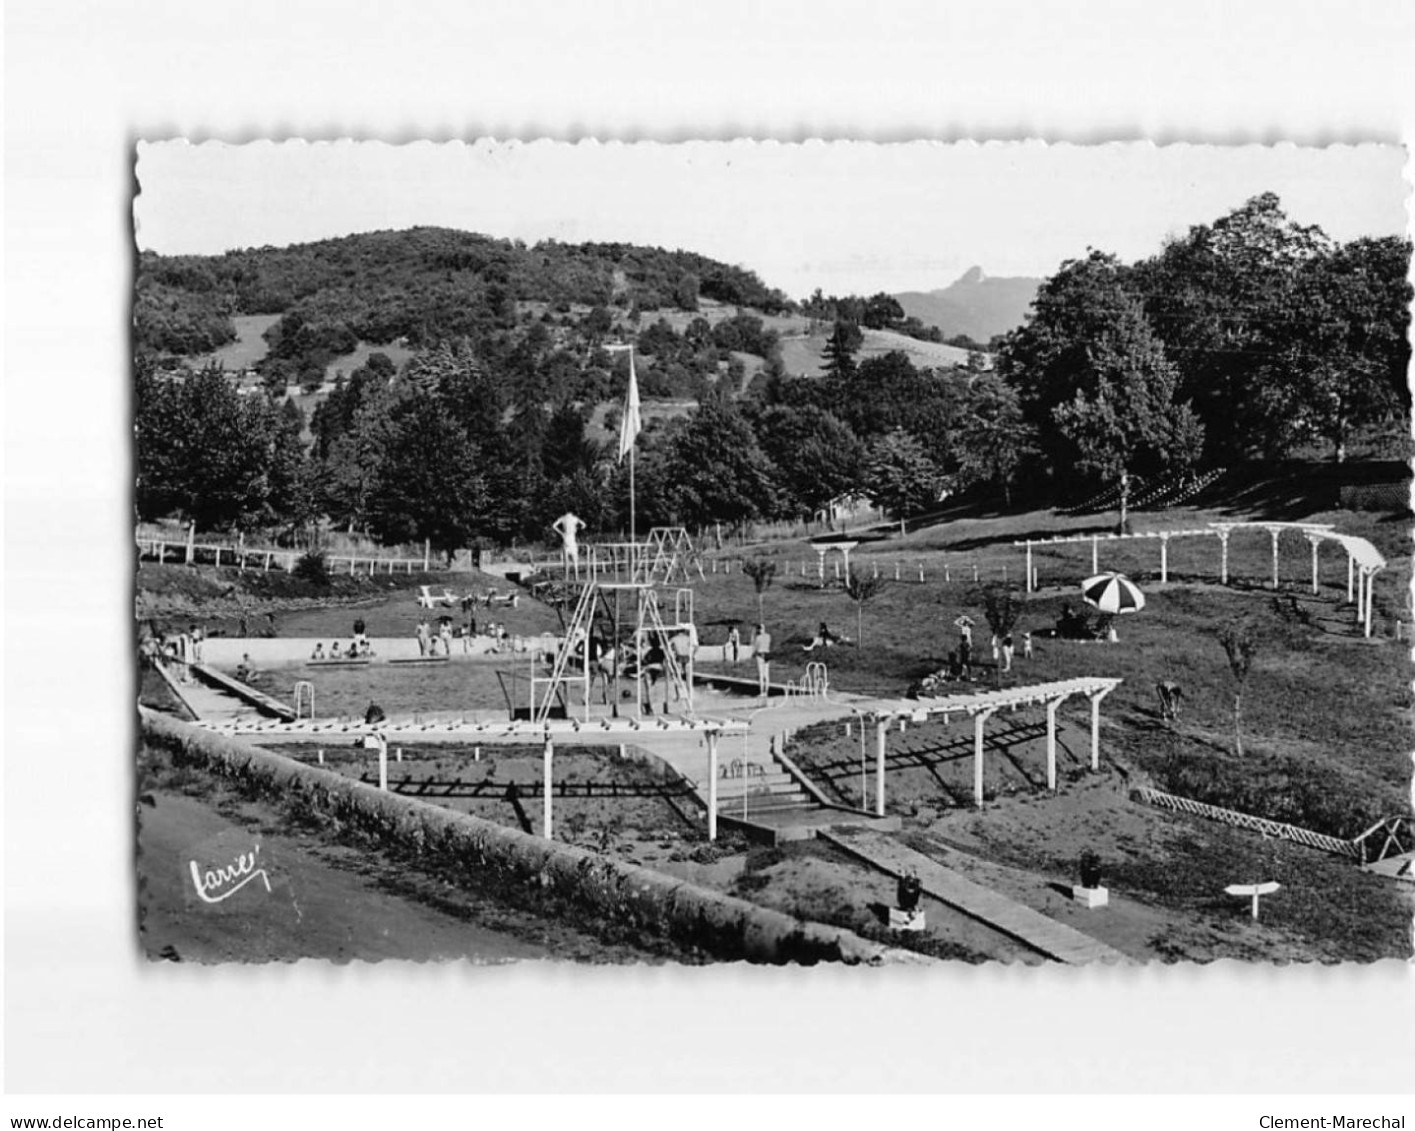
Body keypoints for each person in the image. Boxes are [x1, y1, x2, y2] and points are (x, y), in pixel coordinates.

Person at [551, 512, 585, 580]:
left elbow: (554, 526)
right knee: (575, 560)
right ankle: (576, 576)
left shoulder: (563, 518)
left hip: (565, 538)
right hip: (572, 539)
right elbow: (584, 525)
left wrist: (561, 533)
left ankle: (567, 577)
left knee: (566, 561)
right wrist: (578, 528)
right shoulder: (574, 519)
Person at [752, 623, 772, 697]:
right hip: (767, 654)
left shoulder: (758, 638)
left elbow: (756, 648)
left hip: (760, 655)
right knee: (766, 674)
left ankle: (761, 691)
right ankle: (766, 692)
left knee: (761, 674)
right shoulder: (768, 636)